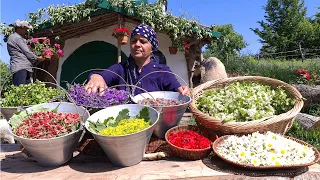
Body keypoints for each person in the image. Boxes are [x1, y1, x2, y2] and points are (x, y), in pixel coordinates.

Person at [85, 24, 189, 96]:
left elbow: (177, 91)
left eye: (143, 42)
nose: (137, 45)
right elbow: (103, 75)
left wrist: (183, 90)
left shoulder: (162, 71)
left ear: (152, 48)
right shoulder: (121, 68)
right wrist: (96, 77)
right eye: (134, 41)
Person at [7, 20, 46, 86]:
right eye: (25, 29)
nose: (26, 31)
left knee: (26, 91)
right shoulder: (17, 38)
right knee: (20, 91)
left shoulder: (15, 37)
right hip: (20, 67)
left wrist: (37, 39)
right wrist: (38, 58)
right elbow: (27, 52)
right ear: (19, 28)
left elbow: (25, 42)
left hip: (23, 67)